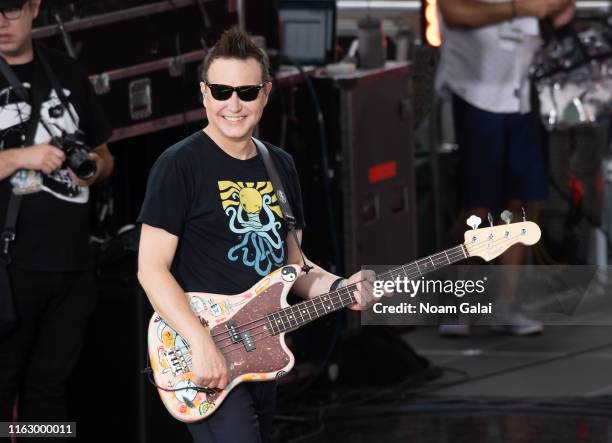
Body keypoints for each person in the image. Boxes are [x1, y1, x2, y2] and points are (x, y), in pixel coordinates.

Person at [137, 27, 375, 443]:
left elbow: (294, 267)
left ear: (265, 94)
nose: (233, 104)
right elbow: (151, 269)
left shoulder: (278, 165)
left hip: (261, 350)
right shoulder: (179, 165)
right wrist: (199, 342)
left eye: (246, 93)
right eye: (222, 91)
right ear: (204, 93)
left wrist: (342, 287)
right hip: (205, 349)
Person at [0, 0, 113, 427]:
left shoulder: (65, 70)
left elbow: (105, 153)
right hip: (11, 267)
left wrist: (93, 169)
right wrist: (20, 157)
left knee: (50, 389)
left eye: (10, 9)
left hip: (71, 265)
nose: (1, 22)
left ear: (34, 7)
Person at [435, 0, 576, 335]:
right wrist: (516, 9)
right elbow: (455, 14)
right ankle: (459, 304)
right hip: (477, 94)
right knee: (478, 206)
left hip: (522, 94)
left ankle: (505, 305)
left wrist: (553, 9)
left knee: (520, 204)